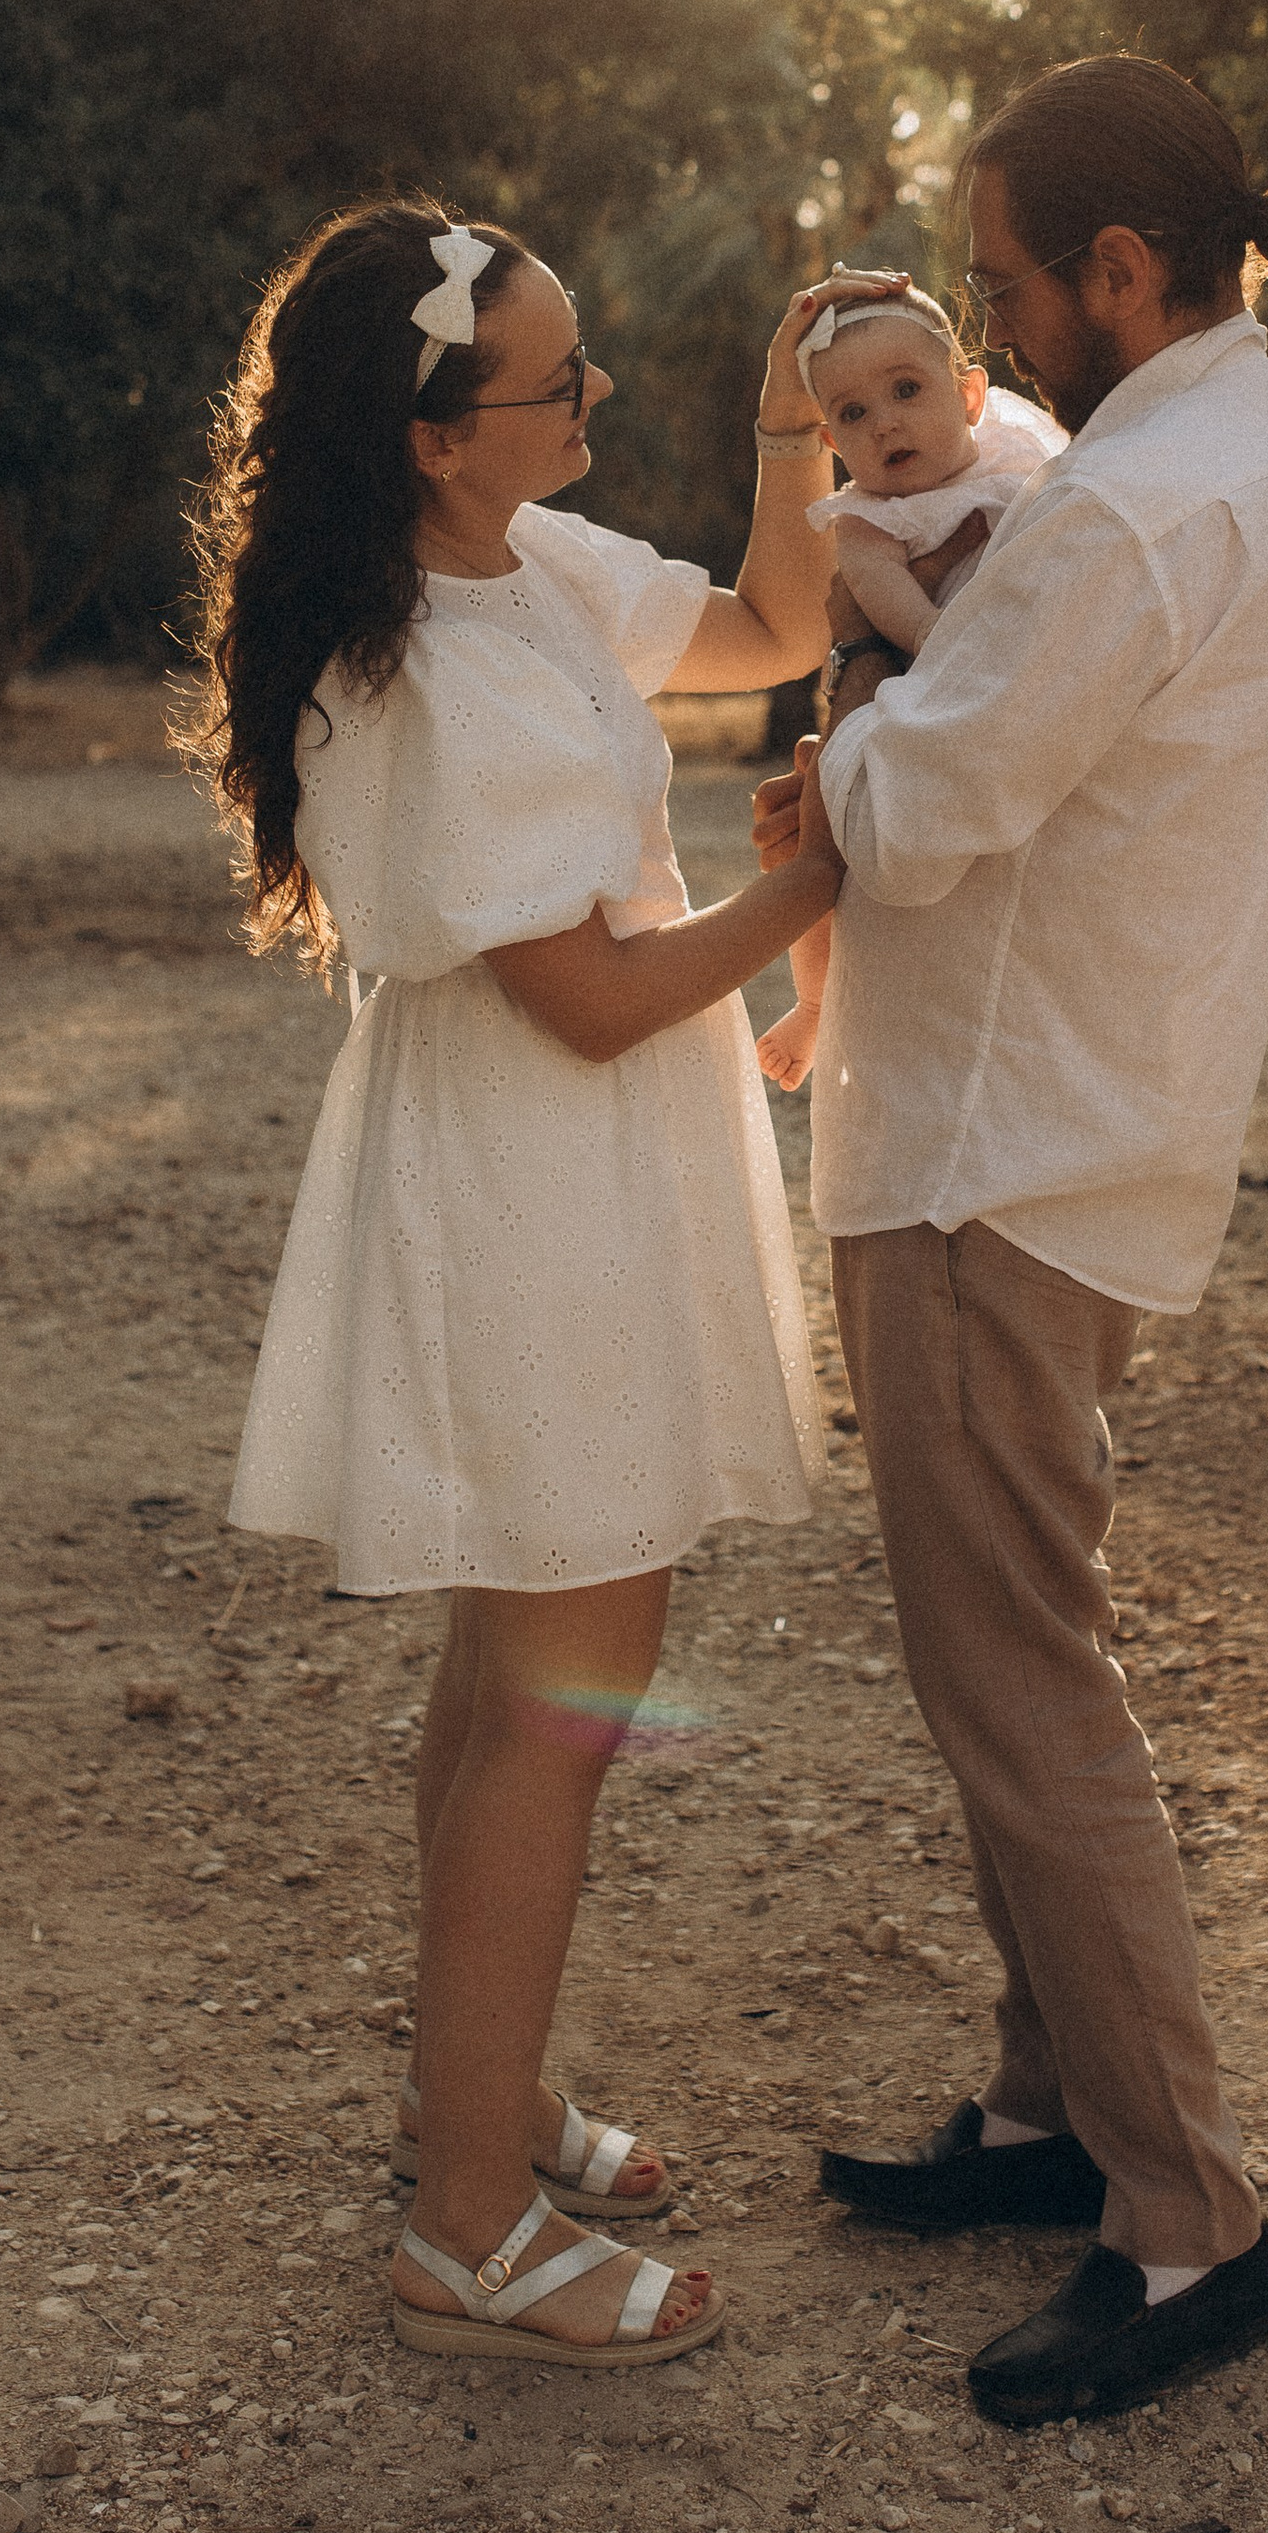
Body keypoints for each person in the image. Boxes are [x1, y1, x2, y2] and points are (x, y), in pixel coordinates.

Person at [186, 199, 890, 2373]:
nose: (593, 401)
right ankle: (469, 2237)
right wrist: (815, 877)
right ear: (430, 438)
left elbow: (778, 621)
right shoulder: (411, 666)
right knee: (560, 1703)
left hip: (563, 1167)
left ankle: (463, 2112)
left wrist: (795, 411)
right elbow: (583, 999)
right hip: (526, 1179)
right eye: (555, 385)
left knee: (516, 1677)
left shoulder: (537, 570)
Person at [755, 55, 1268, 2429]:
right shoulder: (1232, 444)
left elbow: (945, 786)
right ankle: (1042, 2109)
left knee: (1018, 1676)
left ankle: (1187, 2216)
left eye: (997, 281)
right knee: (998, 1652)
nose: (979, 333)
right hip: (1064, 1122)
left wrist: (830, 766)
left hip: (1000, 1153)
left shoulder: (1120, 510)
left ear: (1117, 269)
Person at [753, 283, 1062, 1093]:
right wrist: (929, 633)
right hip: (903, 690)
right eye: (852, 414)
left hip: (994, 707)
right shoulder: (866, 519)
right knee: (815, 830)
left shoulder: (1018, 456)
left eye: (906, 390)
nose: (884, 421)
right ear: (830, 438)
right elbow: (871, 592)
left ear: (968, 395)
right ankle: (816, 1000)